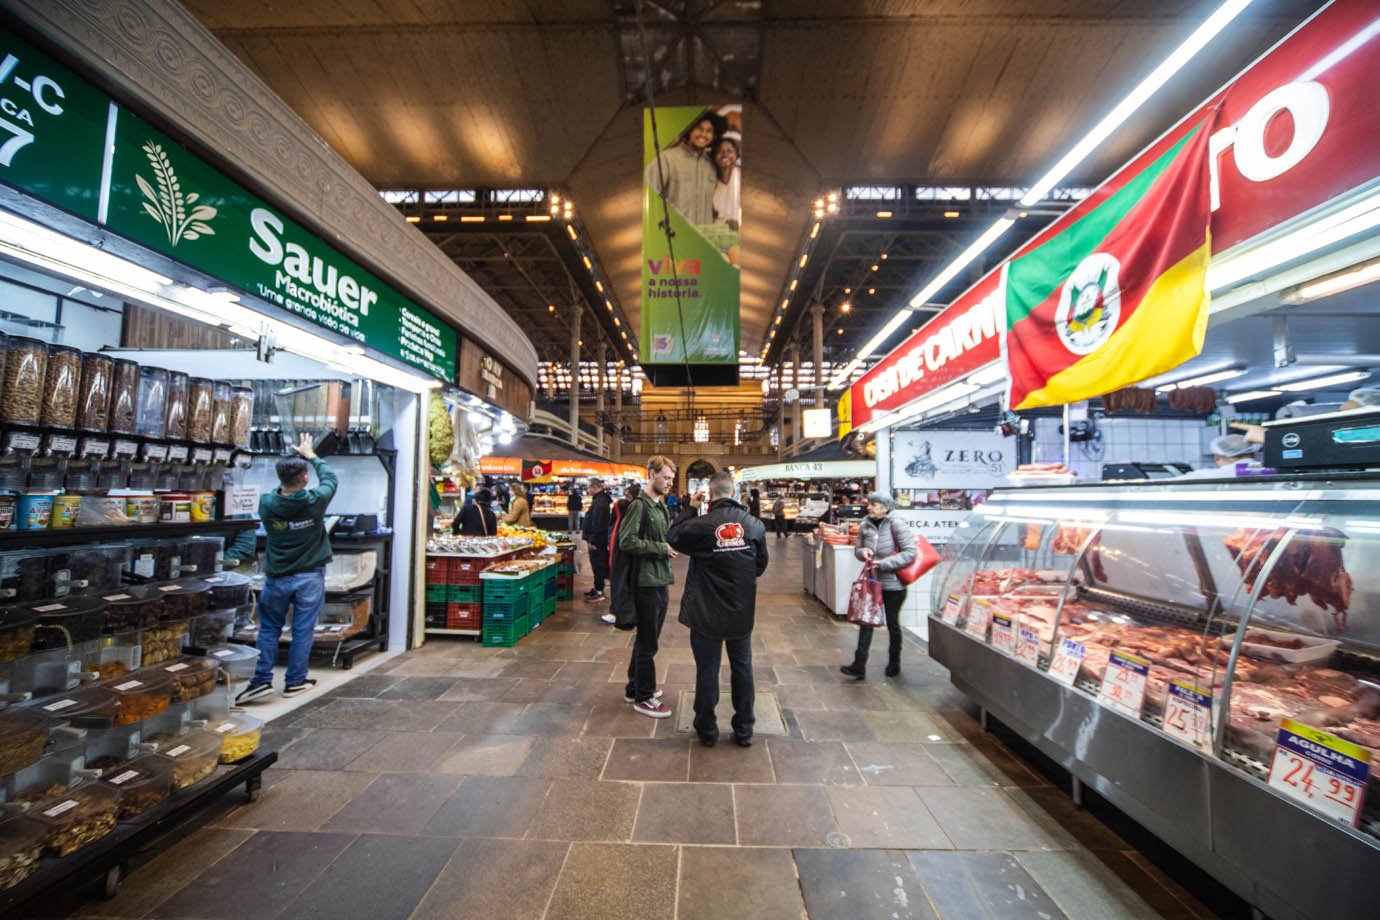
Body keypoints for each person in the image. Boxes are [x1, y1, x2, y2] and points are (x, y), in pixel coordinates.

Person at [668, 471, 768, 747]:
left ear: (709, 494)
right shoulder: (754, 525)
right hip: (740, 610)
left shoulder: (701, 525)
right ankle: (745, 728)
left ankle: (706, 728)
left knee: (707, 669)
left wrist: (690, 507)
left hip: (705, 610)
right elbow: (760, 565)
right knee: (743, 668)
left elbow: (673, 536)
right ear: (734, 492)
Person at [236, 434, 338, 702]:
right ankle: (295, 681)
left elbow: (277, 496)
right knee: (302, 630)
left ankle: (261, 681)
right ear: (305, 477)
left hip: (277, 576)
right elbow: (330, 479)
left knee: (269, 629)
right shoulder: (314, 501)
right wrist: (312, 455)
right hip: (309, 576)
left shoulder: (267, 503)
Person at [618, 456, 678, 718]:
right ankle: (644, 697)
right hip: (645, 583)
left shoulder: (659, 507)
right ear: (651, 474)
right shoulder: (639, 506)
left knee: (647, 637)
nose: (669, 483)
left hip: (660, 579)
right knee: (647, 641)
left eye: (672, 479)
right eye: (665, 477)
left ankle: (634, 687)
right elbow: (626, 541)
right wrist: (659, 549)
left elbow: (665, 536)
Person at [842, 492, 917, 681]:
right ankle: (859, 664)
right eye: (870, 504)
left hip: (893, 583)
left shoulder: (896, 523)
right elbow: (858, 549)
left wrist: (883, 564)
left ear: (885, 507)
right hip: (872, 581)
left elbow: (910, 553)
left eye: (874, 505)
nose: (870, 508)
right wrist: (863, 552)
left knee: (892, 622)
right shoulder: (865, 525)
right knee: (866, 621)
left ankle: (894, 662)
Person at [645, 113, 718, 225]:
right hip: (677, 235)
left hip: (704, 237)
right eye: (699, 129)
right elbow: (649, 195)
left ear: (713, 136)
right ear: (690, 131)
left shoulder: (711, 165)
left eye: (709, 131)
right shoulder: (667, 158)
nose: (704, 134)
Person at [602, 482, 642, 625]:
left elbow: (617, 509)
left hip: (621, 552)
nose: (624, 498)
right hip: (631, 552)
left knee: (619, 582)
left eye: (627, 495)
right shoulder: (641, 509)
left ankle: (618, 612)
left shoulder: (623, 506)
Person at [582, 478, 613, 602]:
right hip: (597, 539)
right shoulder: (599, 500)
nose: (588, 490)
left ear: (595, 487)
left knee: (598, 565)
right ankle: (597, 588)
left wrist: (593, 540)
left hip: (598, 541)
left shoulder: (600, 502)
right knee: (596, 565)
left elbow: (598, 523)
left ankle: (599, 591)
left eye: (589, 488)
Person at [1178, 434, 1262, 479]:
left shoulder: (1209, 476)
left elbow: (1169, 485)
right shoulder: (1267, 469)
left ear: (1217, 457)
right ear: (1254, 453)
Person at [711, 135, 741, 230]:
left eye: (730, 151)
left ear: (736, 155)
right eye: (719, 151)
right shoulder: (710, 179)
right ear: (714, 156)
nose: (724, 155)